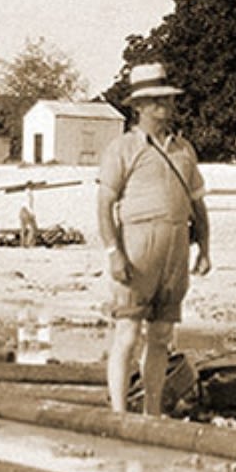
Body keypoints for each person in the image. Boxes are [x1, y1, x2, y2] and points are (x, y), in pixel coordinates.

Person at [97, 63, 210, 416]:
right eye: (154, 100)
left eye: (166, 98)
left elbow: (198, 203)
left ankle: (152, 412)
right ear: (139, 106)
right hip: (136, 245)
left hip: (177, 246)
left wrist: (205, 248)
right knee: (127, 334)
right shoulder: (123, 148)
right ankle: (118, 413)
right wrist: (115, 253)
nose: (163, 105)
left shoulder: (184, 149)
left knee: (161, 336)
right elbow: (104, 206)